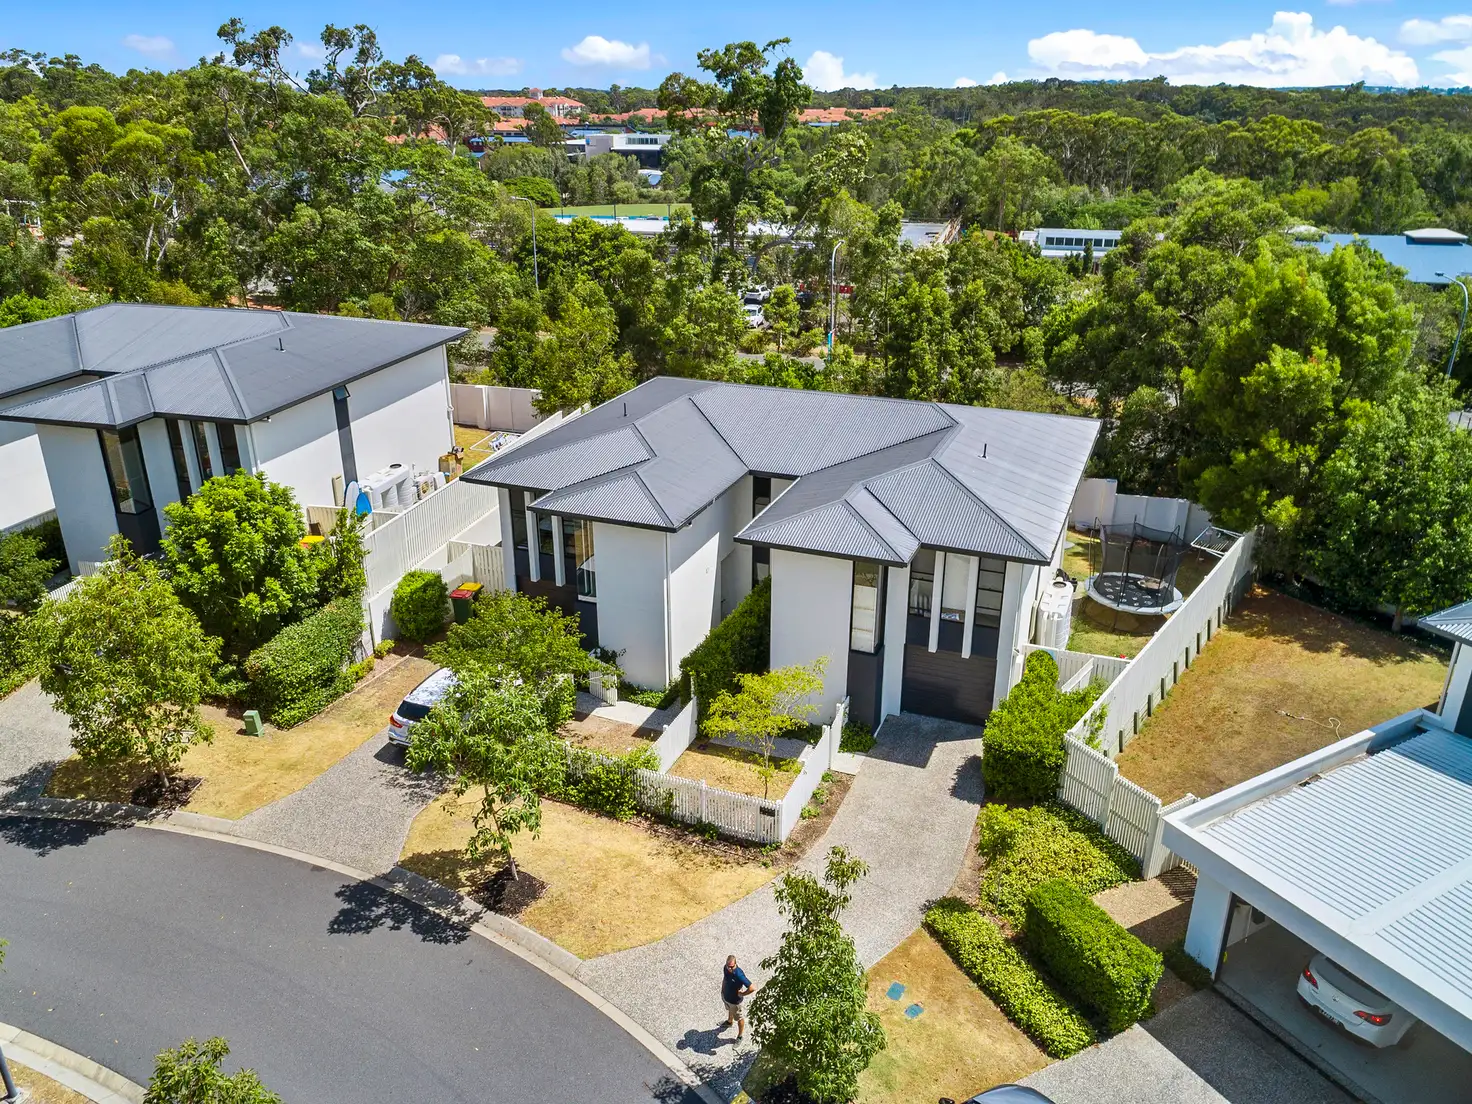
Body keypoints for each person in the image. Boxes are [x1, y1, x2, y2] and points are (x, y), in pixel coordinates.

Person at [721, 954, 754, 1038]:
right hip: (726, 997)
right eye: (728, 966)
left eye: (732, 967)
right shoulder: (725, 968)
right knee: (729, 1009)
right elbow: (725, 978)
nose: (730, 969)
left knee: (739, 1018)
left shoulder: (739, 974)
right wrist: (723, 990)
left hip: (735, 1002)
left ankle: (740, 1036)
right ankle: (729, 1022)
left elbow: (752, 988)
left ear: (735, 964)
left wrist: (742, 994)